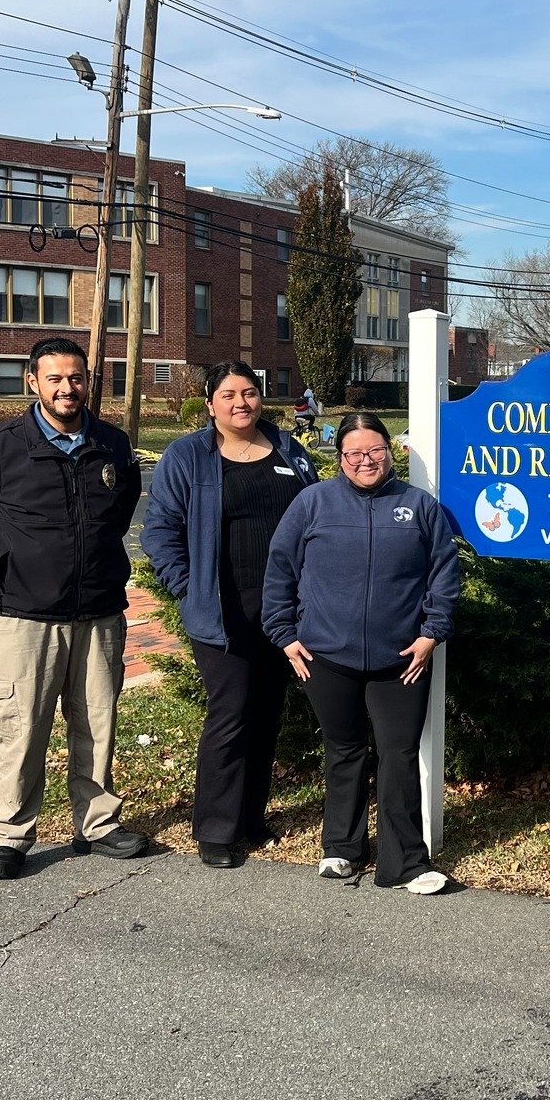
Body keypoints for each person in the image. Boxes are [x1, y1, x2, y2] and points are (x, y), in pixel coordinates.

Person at [0, 335, 146, 880]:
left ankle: (98, 823)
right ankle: (10, 835)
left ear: (88, 382)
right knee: (22, 724)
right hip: (22, 614)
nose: (67, 388)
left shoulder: (112, 445)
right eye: (54, 378)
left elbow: (119, 512)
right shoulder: (0, 447)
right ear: (32, 382)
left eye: (76, 378)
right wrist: (9, 568)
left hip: (99, 609)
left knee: (96, 720)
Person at [263, 411, 460, 893]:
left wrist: (432, 633)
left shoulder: (419, 507)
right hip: (326, 656)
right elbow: (280, 571)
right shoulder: (312, 503)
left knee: (398, 753)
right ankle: (342, 849)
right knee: (344, 751)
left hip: (402, 660)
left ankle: (405, 863)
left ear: (390, 453)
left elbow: (444, 575)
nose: (366, 461)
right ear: (340, 458)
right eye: (355, 453)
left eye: (376, 451)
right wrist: (285, 635)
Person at [142, 361, 319, 868]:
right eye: (229, 395)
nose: (241, 403)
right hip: (224, 610)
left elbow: (313, 515)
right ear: (210, 401)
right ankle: (216, 829)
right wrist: (187, 588)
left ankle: (250, 818)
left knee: (266, 715)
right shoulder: (188, 457)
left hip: (283, 611)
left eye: (249, 393)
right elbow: (160, 532)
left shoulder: (288, 450)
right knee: (231, 714)